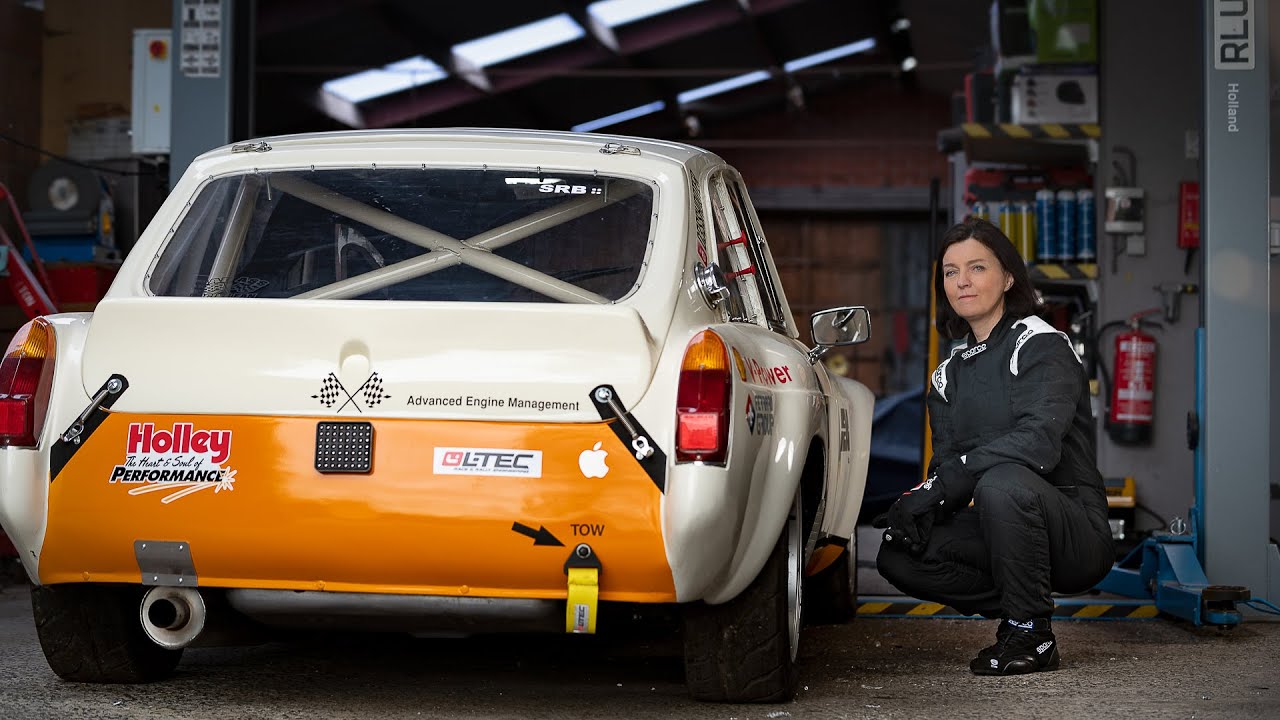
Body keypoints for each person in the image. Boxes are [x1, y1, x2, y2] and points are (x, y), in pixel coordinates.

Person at [875, 217, 1114, 676]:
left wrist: (953, 477)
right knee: (899, 552)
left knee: (1000, 482)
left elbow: (1039, 443)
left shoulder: (1041, 344)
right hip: (999, 525)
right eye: (950, 271)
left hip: (1072, 532)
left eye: (977, 267)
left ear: (1007, 278)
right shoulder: (948, 374)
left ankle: (1033, 633)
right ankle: (1019, 615)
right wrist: (921, 504)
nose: (962, 281)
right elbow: (946, 467)